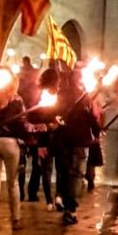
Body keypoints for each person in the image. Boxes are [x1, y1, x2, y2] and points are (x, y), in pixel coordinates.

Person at [0, 73, 48, 234]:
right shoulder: (16, 100)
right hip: (10, 143)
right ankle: (15, 218)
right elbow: (22, 125)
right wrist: (39, 128)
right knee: (13, 182)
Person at [50, 67, 100, 225]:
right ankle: (70, 208)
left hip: (63, 140)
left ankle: (66, 204)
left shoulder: (61, 96)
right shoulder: (82, 97)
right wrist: (97, 131)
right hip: (78, 140)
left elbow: (52, 113)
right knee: (76, 174)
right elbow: (90, 117)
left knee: (65, 174)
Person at [28, 66, 60, 209]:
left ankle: (49, 201)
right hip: (53, 137)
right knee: (57, 169)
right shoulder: (52, 96)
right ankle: (56, 197)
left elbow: (31, 116)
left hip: (43, 138)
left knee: (44, 169)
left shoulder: (38, 95)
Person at [15, 56, 41, 201]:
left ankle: (25, 192)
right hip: (28, 132)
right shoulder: (23, 93)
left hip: (29, 132)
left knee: (28, 164)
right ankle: (30, 192)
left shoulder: (29, 92)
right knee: (32, 164)